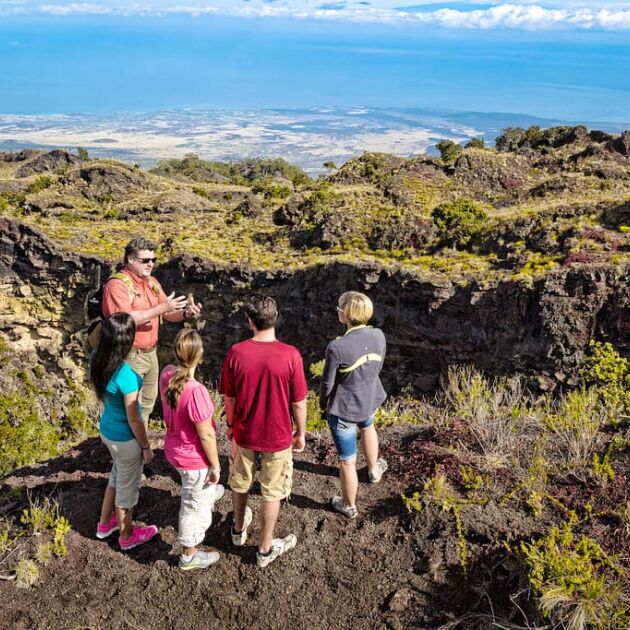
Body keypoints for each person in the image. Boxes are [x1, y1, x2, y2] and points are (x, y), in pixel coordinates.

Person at [219, 295, 308, 568]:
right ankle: (265, 549)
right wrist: (301, 433)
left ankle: (237, 529)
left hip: (245, 432)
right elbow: (298, 402)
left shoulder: (236, 352)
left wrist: (231, 427)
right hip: (278, 436)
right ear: (276, 317)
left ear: (249, 321)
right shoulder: (291, 355)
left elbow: (229, 398)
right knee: (272, 490)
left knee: (240, 481)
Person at [102, 236, 201, 424]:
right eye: (145, 260)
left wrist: (186, 313)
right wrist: (162, 308)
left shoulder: (152, 283)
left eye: (153, 260)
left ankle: (142, 441)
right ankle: (130, 445)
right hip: (128, 354)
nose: (150, 265)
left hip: (150, 353)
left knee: (147, 402)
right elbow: (125, 319)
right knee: (130, 406)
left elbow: (168, 313)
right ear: (130, 259)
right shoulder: (117, 285)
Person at [92, 312, 159, 550]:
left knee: (116, 476)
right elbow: (135, 419)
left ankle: (104, 524)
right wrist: (146, 447)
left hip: (108, 431)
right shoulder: (127, 376)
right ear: (129, 341)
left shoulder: (97, 358)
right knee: (126, 492)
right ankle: (127, 536)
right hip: (126, 440)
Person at [160, 329, 225, 571]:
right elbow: (206, 434)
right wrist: (216, 466)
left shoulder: (167, 373)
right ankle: (189, 556)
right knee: (192, 506)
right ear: (199, 355)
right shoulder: (196, 390)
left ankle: (207, 492)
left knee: (198, 489)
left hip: (173, 449)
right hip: (192, 459)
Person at [320, 291, 388, 519]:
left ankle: (348, 505)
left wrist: (323, 405)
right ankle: (373, 470)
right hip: (369, 399)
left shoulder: (337, 347)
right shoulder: (379, 335)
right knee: (368, 428)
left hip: (345, 409)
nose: (338, 311)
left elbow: (327, 383)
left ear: (346, 315)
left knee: (347, 461)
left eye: (339, 308)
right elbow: (377, 369)